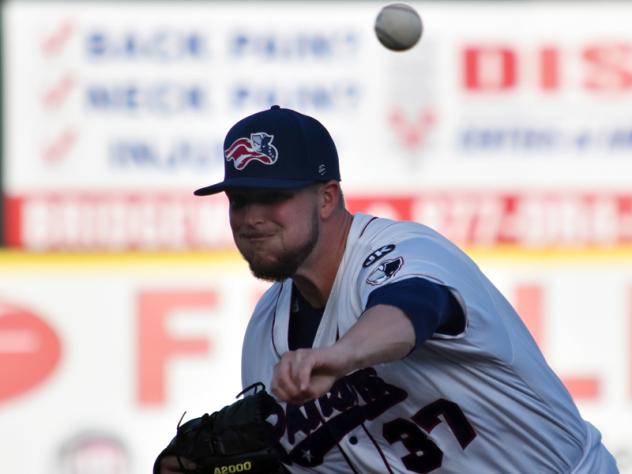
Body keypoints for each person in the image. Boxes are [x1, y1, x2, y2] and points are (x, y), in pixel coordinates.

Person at [162, 105, 618, 473]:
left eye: (273, 197)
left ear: (327, 197)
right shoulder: (266, 335)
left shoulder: (400, 249)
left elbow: (413, 308)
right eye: (240, 201)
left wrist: (340, 356)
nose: (252, 217)